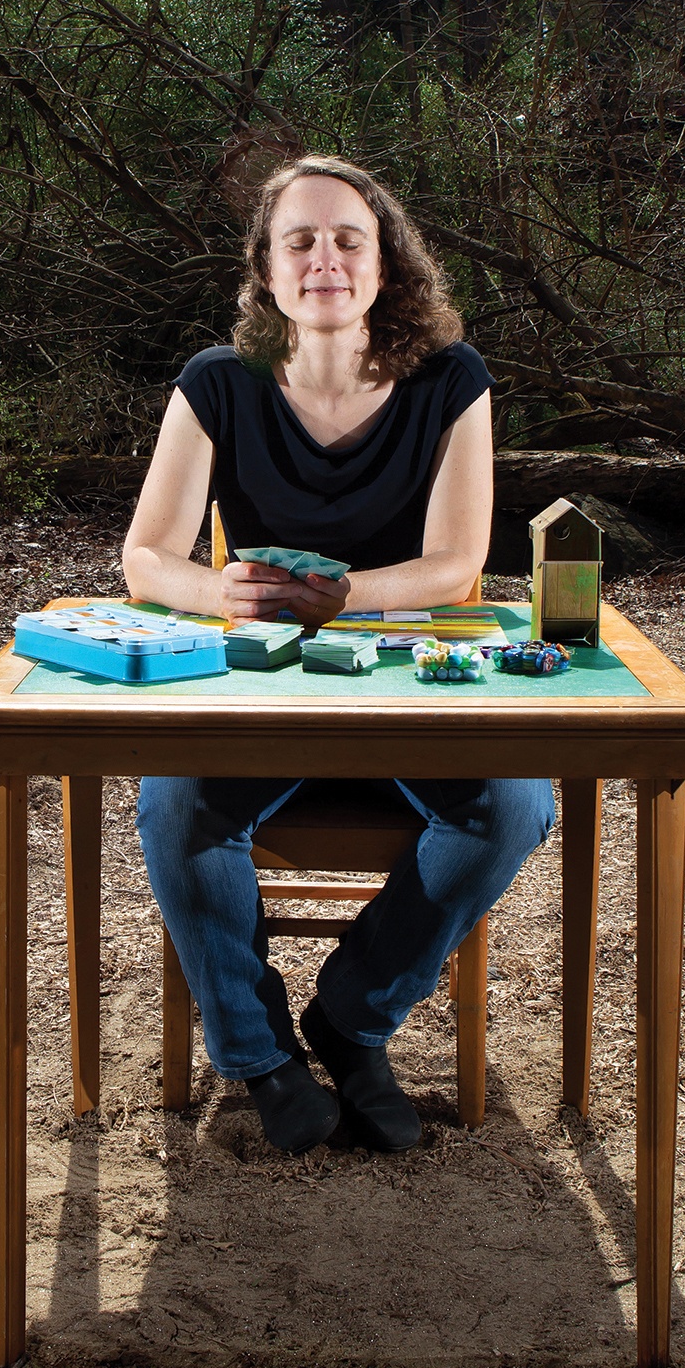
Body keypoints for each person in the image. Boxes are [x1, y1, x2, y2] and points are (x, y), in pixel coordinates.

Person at [122, 154, 554, 1156]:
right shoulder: (214, 384)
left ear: (385, 261)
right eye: (299, 241)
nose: (325, 259)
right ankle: (261, 1054)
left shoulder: (452, 380)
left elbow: (456, 567)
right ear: (266, 272)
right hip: (262, 686)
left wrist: (349, 596)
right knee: (173, 803)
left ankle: (351, 1020)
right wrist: (217, 591)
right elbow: (147, 556)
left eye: (347, 239)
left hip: (410, 683)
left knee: (517, 805)